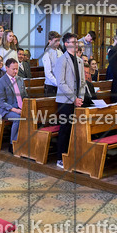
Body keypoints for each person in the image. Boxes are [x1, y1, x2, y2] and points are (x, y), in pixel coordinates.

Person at [54, 33, 88, 169]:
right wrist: (74, 98)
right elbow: (61, 82)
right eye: (73, 42)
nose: (76, 44)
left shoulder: (79, 60)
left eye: (76, 42)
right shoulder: (62, 60)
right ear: (66, 44)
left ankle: (72, 155)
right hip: (65, 101)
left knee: (75, 129)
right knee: (65, 129)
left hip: (77, 100)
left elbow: (83, 81)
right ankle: (60, 158)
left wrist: (80, 98)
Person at [0, 58, 29, 144]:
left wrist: (26, 107)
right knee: (18, 118)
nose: (16, 71)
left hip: (20, 108)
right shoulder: (0, 82)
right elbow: (1, 102)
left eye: (17, 69)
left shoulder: (20, 80)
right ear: (7, 68)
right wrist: (15, 110)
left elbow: (25, 96)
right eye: (13, 69)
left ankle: (26, 142)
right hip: (6, 110)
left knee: (33, 115)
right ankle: (13, 144)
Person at [41, 32, 62, 97]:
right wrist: (57, 83)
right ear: (50, 41)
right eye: (56, 41)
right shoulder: (47, 54)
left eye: (58, 40)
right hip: (50, 85)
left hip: (60, 84)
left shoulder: (60, 52)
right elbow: (48, 73)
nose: (58, 43)